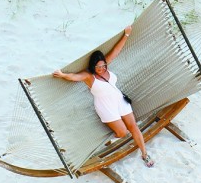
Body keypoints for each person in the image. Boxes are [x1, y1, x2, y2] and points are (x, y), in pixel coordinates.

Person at [52, 25, 153, 167]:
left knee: (133, 127)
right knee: (122, 132)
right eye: (98, 67)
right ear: (93, 66)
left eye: (103, 66)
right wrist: (62, 75)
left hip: (119, 100)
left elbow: (116, 51)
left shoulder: (106, 66)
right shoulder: (89, 76)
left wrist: (126, 35)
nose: (102, 69)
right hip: (105, 106)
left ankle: (145, 154)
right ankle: (110, 141)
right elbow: (74, 76)